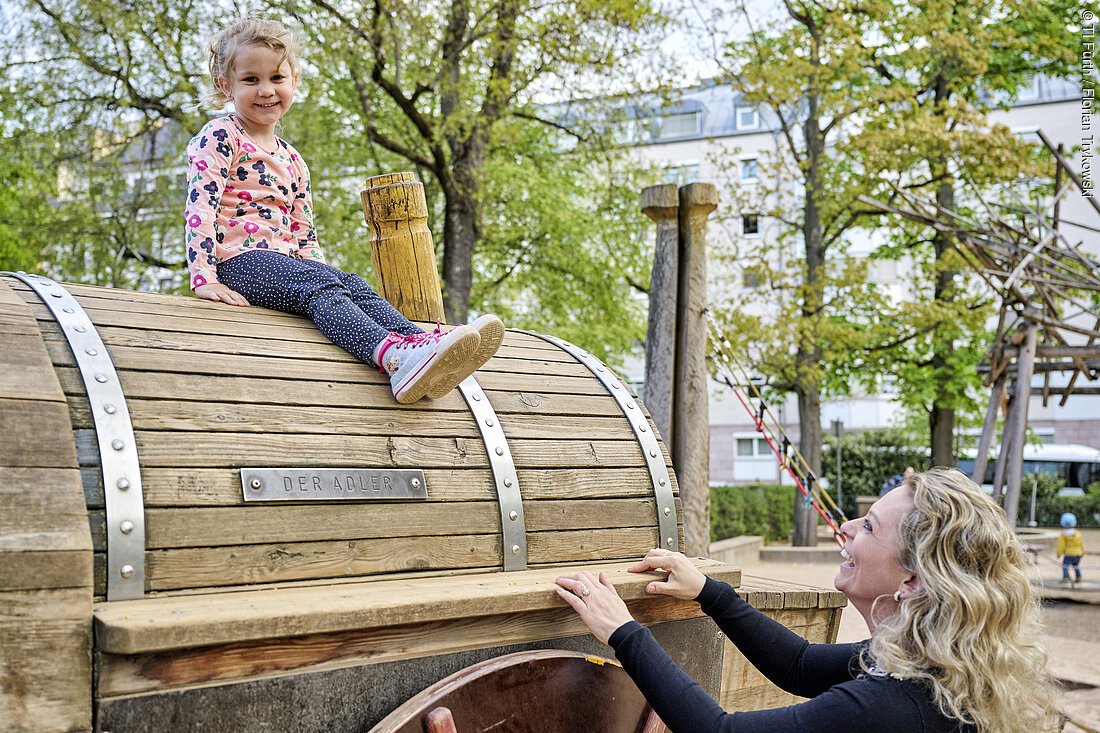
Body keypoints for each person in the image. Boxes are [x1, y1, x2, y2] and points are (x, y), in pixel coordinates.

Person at [556, 468, 1057, 732]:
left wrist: (624, 632)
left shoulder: (892, 705)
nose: (846, 527)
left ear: (912, 582)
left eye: (869, 526)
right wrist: (709, 592)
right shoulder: (931, 664)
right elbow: (799, 666)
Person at [184, 17, 503, 403]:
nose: (266, 90)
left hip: (286, 265)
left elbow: (303, 233)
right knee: (320, 286)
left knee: (350, 283)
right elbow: (201, 205)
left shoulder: (293, 159)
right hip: (239, 263)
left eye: (277, 78)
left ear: (294, 80)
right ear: (226, 85)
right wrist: (205, 277)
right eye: (251, 80)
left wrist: (323, 269)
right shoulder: (220, 136)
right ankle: (394, 357)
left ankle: (426, 344)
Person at [1057, 512, 1085, 585]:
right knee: (1076, 566)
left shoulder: (1063, 534)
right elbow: (1081, 544)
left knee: (1065, 566)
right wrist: (1082, 552)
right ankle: (1079, 577)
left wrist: (1059, 553)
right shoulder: (1077, 533)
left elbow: (1061, 545)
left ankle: (1065, 579)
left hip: (1069, 553)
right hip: (1078, 553)